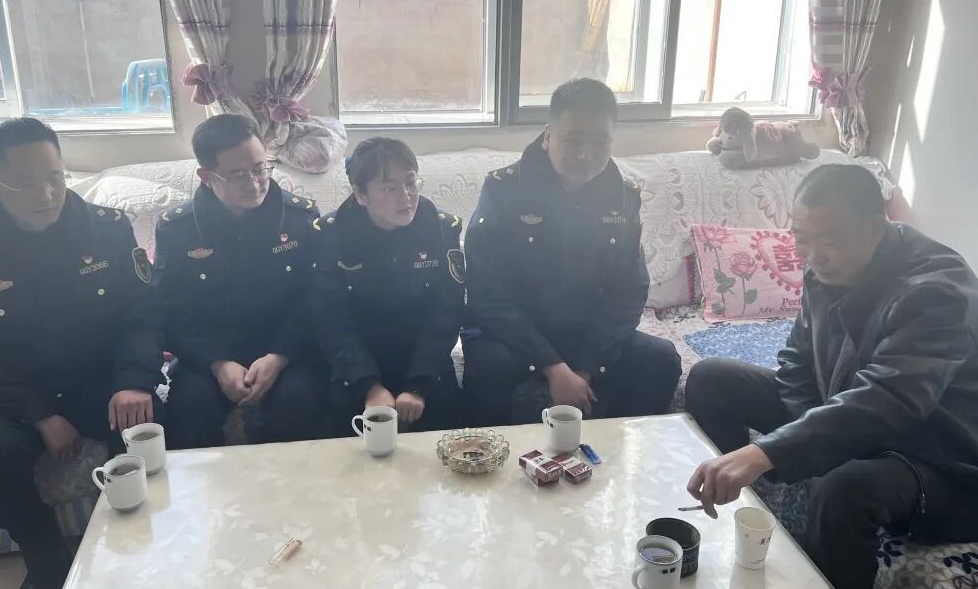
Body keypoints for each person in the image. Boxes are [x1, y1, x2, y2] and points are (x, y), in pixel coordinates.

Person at [685, 164, 978, 589]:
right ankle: (743, 518)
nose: (814, 256)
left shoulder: (938, 293)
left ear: (875, 227)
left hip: (944, 457)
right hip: (857, 415)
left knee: (844, 488)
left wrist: (768, 452)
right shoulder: (825, 266)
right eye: (802, 239)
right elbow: (797, 364)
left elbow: (888, 401)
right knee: (711, 379)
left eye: (830, 241)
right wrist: (815, 437)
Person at [0, 118, 166, 589]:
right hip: (13, 392)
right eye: (27, 183)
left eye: (55, 177)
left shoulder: (107, 228)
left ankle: (160, 542)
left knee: (160, 428)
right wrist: (39, 414)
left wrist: (134, 380)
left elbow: (143, 314)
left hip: (100, 379)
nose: (47, 194)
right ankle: (46, 565)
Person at [462, 78, 680, 426]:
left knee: (660, 359)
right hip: (515, 334)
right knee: (491, 366)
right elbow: (486, 295)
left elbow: (629, 291)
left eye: (600, 143)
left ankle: (611, 453)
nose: (585, 155)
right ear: (548, 135)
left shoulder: (623, 196)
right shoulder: (504, 190)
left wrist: (586, 367)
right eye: (574, 140)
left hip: (585, 336)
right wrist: (553, 367)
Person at [154, 114, 328, 446]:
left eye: (260, 168)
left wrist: (280, 356)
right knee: (190, 412)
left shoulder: (301, 219)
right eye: (237, 175)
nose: (254, 183)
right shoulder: (177, 230)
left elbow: (315, 299)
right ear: (207, 177)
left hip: (287, 354)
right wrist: (217, 363)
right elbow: (170, 311)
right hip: (207, 359)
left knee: (300, 405)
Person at [311, 137, 463, 433]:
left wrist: (418, 385)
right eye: (390, 188)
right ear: (360, 194)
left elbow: (447, 312)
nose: (406, 196)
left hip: (424, 361)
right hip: (357, 363)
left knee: (447, 441)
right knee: (344, 441)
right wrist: (368, 385)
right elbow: (330, 319)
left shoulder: (441, 229)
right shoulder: (331, 236)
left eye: (411, 182)